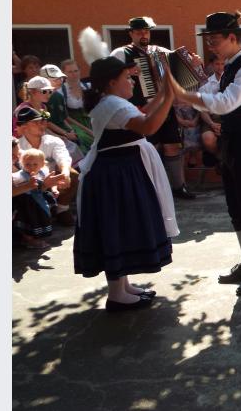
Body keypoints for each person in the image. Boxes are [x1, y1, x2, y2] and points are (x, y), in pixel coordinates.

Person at [74, 56, 181, 311]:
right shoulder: (112, 104)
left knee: (121, 226)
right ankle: (116, 295)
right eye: (127, 77)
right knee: (116, 228)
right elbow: (148, 126)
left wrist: (166, 92)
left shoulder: (113, 102)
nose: (132, 81)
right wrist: (169, 97)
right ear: (112, 82)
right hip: (115, 176)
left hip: (120, 171)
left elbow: (141, 114)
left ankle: (122, 286)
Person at [179, 12, 241, 295]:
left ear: (233, 38)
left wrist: (186, 95)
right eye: (208, 40)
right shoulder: (230, 67)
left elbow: (223, 104)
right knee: (235, 207)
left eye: (214, 40)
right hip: (231, 144)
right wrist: (193, 78)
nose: (210, 46)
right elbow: (205, 94)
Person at [110, 16, 196, 199]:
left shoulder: (160, 51)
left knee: (172, 145)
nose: (144, 35)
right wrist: (127, 71)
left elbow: (179, 68)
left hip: (164, 106)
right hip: (140, 107)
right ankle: (148, 188)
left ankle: (178, 186)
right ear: (131, 33)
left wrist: (193, 64)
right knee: (149, 148)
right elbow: (109, 74)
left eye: (146, 31)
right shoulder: (120, 53)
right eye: (139, 31)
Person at [15, 106, 79, 226]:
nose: (42, 125)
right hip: (29, 181)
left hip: (51, 178)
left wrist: (65, 174)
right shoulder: (17, 145)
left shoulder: (53, 141)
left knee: (73, 174)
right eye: (36, 123)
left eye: (43, 122)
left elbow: (63, 157)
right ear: (24, 127)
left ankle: (61, 209)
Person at [15, 76, 84, 165]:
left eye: (50, 91)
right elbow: (19, 133)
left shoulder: (44, 107)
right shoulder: (23, 110)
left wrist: (62, 135)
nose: (48, 94)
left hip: (41, 138)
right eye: (44, 91)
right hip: (26, 144)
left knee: (72, 147)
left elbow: (46, 125)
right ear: (32, 92)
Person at [12, 148, 63, 249]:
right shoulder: (18, 176)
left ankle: (38, 237)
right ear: (22, 163)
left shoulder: (43, 173)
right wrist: (28, 184)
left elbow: (50, 183)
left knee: (41, 219)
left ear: (42, 164)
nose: (31, 167)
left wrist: (54, 189)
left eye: (35, 164)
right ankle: (29, 240)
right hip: (26, 203)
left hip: (40, 201)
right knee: (29, 221)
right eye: (27, 164)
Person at [40, 64, 84, 153]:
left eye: (60, 78)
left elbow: (63, 118)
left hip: (64, 132)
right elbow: (46, 123)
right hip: (51, 135)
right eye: (55, 79)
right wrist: (65, 134)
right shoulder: (40, 100)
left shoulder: (59, 96)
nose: (59, 81)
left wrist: (71, 130)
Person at [59, 59, 95, 152]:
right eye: (70, 72)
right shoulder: (61, 92)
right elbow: (66, 117)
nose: (74, 74)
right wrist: (88, 131)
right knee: (83, 138)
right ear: (63, 74)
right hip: (73, 124)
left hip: (91, 120)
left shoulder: (88, 86)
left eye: (76, 71)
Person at [197, 54, 224, 163]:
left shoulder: (233, 82)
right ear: (212, 65)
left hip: (229, 118)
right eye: (217, 64)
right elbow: (202, 110)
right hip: (211, 118)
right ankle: (221, 159)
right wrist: (212, 124)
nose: (220, 67)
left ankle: (224, 162)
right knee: (208, 139)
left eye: (223, 64)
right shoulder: (205, 85)